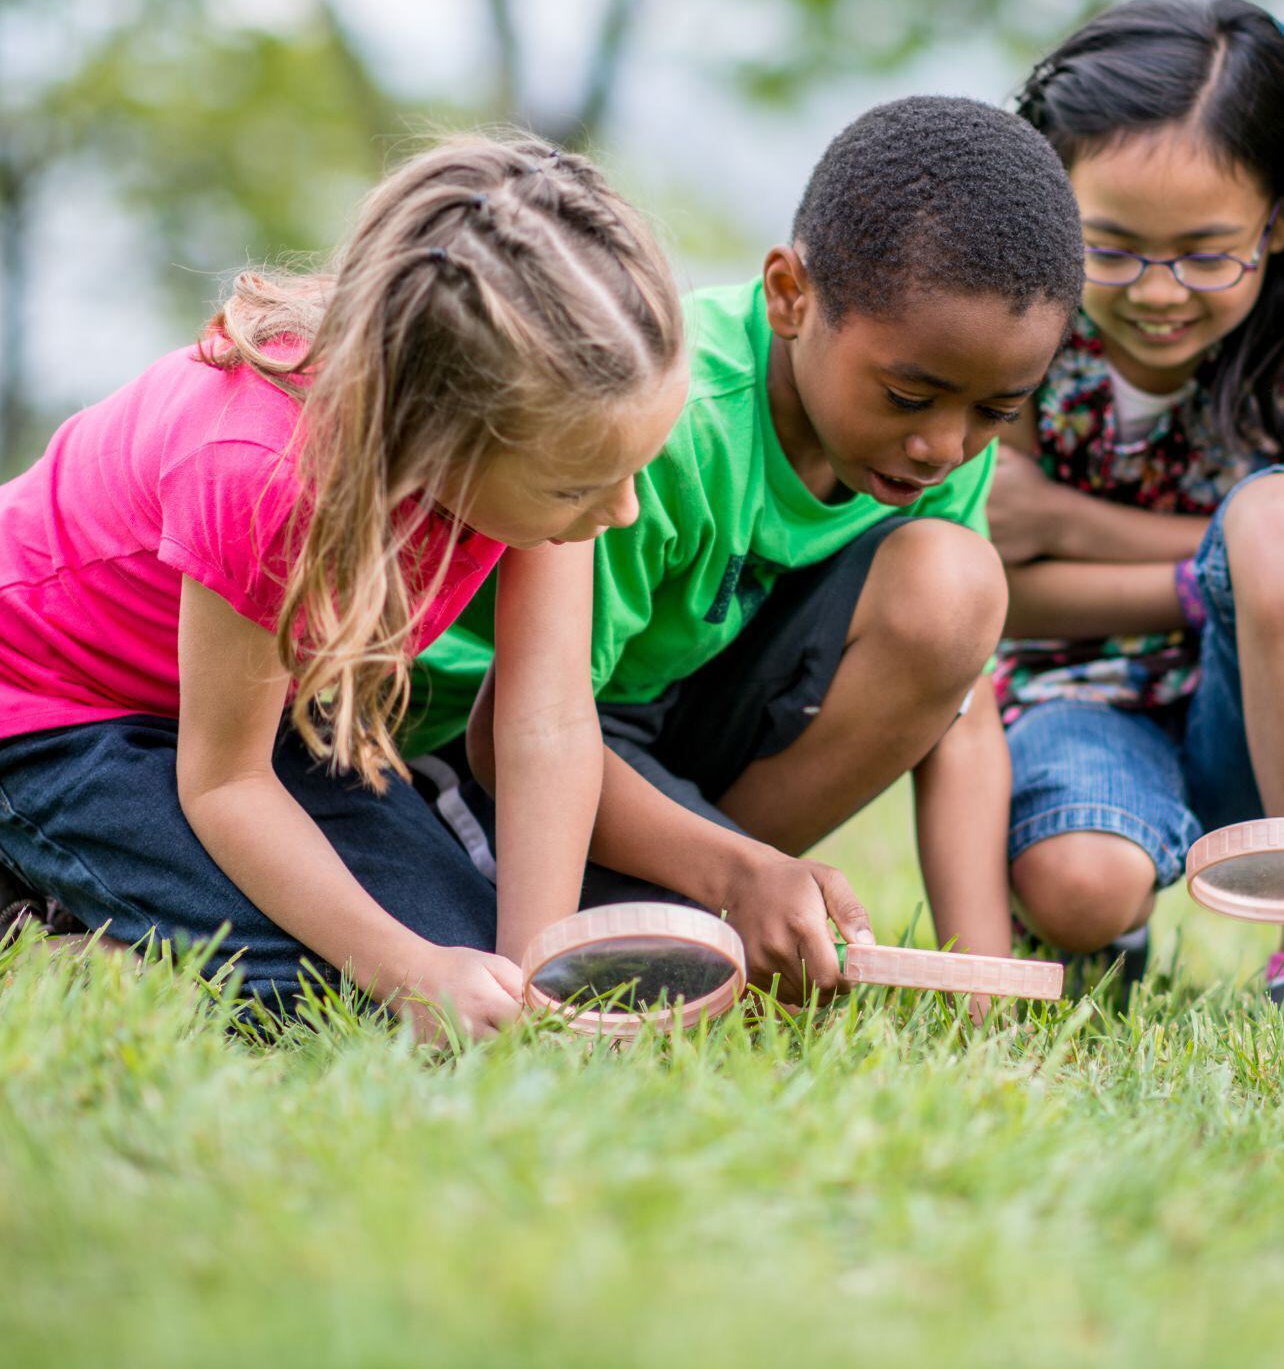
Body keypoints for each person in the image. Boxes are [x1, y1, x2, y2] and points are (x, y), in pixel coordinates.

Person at [0, 134, 687, 1039]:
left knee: (463, 951)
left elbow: (547, 720)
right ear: (437, 436)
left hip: (246, 720)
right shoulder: (260, 471)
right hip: (54, 711)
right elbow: (226, 784)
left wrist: (534, 981)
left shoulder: (555, 439)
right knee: (361, 990)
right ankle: (41, 919)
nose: (623, 511)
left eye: (632, 470)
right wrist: (408, 973)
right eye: (580, 488)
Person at [412, 96, 1084, 1003]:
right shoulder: (660, 416)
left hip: (674, 733)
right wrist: (739, 872)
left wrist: (989, 985)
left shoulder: (943, 444)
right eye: (907, 397)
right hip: (497, 747)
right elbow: (525, 731)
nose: (944, 446)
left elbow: (961, 717)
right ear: (790, 296)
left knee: (958, 587)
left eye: (996, 411)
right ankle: (701, 893)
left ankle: (706, 895)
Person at [990, 0, 1284, 1000]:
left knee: (1270, 522)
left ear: (1278, 223)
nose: (1159, 292)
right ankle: (1098, 921)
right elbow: (1003, 593)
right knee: (1081, 883)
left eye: (1207, 253)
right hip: (1082, 698)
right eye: (1110, 249)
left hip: (1259, 717)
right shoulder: (1015, 337)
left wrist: (1069, 524)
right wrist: (1213, 574)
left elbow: (1270, 555)